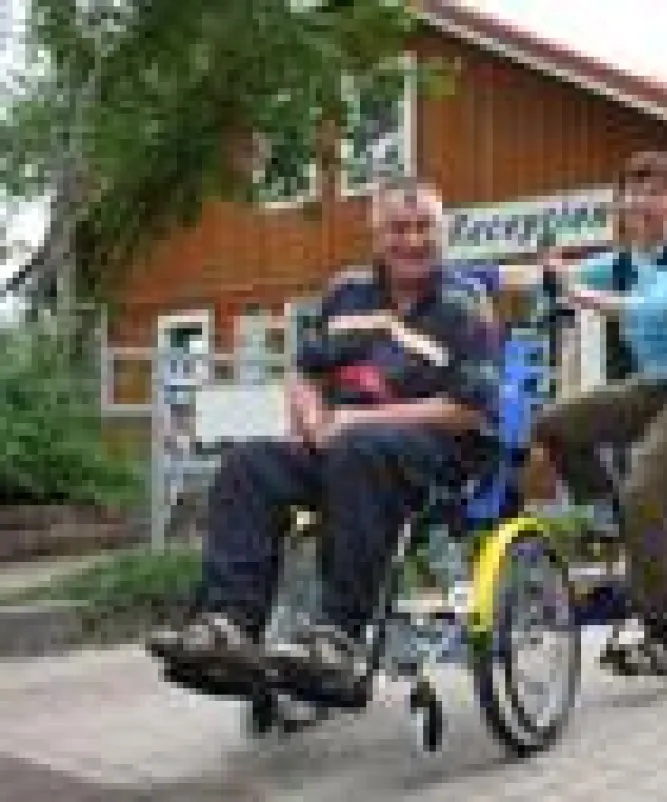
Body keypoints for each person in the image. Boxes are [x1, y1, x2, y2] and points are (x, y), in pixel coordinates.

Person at [148, 177, 502, 704]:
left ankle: (337, 637)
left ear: (442, 232)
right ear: (376, 235)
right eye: (396, 229)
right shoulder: (345, 294)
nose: (410, 241)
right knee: (248, 464)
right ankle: (228, 626)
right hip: (340, 447)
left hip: (432, 453)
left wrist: (359, 423)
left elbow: (469, 409)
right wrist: (312, 414)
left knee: (360, 452)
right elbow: (306, 373)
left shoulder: (466, 305)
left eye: (423, 227)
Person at [531, 151, 667, 677]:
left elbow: (660, 305)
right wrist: (518, 276)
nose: (642, 202)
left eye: (655, 192)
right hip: (657, 385)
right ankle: (614, 519)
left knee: (647, 491)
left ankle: (658, 635)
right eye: (633, 192)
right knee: (553, 424)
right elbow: (554, 278)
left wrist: (580, 294)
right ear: (621, 202)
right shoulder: (622, 260)